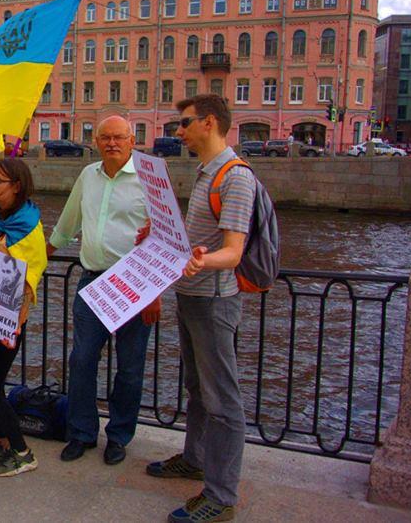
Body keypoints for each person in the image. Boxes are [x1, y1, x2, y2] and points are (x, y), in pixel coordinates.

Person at [146, 95, 255, 523]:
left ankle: (221, 496)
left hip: (214, 299)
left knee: (223, 400)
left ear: (209, 123)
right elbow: (199, 235)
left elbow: (231, 252)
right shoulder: (206, 171)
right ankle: (194, 459)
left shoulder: (236, 177)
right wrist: (158, 232)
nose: (179, 130)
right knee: (196, 387)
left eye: (184, 122)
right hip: (193, 296)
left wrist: (199, 261)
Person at [47, 116, 159, 466]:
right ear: (96, 142)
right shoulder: (88, 175)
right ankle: (81, 432)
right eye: (105, 137)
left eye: (119, 137)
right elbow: (68, 221)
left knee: (129, 366)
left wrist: (155, 293)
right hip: (93, 280)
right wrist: (40, 256)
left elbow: (166, 238)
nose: (112, 143)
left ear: (132, 140)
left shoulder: (151, 178)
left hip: (135, 284)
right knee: (82, 360)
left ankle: (119, 435)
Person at [0, 158, 47, 477]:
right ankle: (2, 441)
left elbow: (28, 277)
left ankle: (22, 450)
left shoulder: (29, 226)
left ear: (16, 185)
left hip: (7, 318)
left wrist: (4, 258)